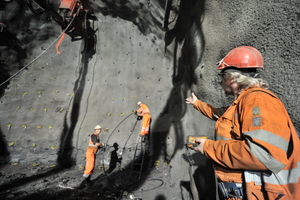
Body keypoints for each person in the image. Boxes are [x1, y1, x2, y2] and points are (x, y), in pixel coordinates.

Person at [186, 46, 300, 200]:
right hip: (239, 189)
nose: (220, 82)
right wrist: (197, 103)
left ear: (232, 79)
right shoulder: (243, 102)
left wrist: (208, 147)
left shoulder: (258, 101)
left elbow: (262, 155)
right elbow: (219, 114)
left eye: (222, 77)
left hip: (258, 193)